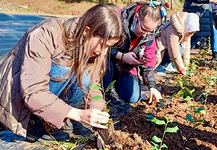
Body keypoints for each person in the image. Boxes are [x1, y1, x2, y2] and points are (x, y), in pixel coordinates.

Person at [0, 3, 124, 142]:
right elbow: (33, 91)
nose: (103, 52)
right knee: (64, 67)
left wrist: (97, 113)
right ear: (87, 31)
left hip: (43, 93)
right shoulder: (47, 33)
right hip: (19, 96)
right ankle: (34, 121)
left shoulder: (90, 48)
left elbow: (93, 85)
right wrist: (78, 115)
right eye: (102, 44)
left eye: (109, 47)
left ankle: (57, 117)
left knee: (86, 76)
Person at [103, 2, 163, 104]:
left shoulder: (148, 36)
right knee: (106, 65)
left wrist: (152, 86)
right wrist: (122, 56)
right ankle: (106, 91)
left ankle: (116, 86)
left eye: (150, 31)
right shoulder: (115, 19)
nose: (145, 35)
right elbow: (100, 45)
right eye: (143, 29)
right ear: (136, 17)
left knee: (132, 98)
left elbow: (148, 62)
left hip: (124, 67)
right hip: (106, 60)